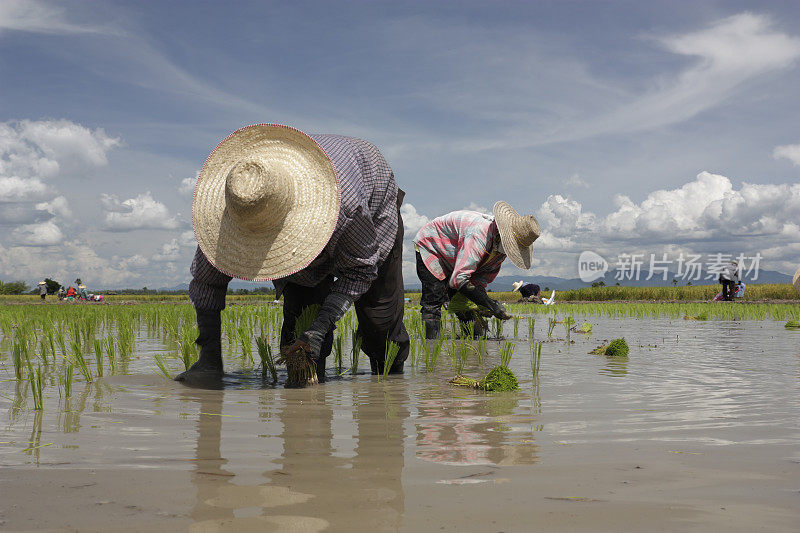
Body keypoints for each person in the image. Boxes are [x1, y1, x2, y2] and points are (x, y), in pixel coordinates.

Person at [177, 124, 409, 386]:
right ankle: (306, 396)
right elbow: (206, 282)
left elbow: (361, 269)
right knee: (300, 323)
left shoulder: (347, 206)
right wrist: (209, 359)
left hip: (371, 206)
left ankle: (390, 390)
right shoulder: (232, 209)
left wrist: (321, 326)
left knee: (380, 323)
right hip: (315, 207)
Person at [413, 205, 540, 339]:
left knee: (467, 305)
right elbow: (459, 279)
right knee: (433, 301)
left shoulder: (499, 253)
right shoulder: (479, 235)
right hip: (433, 245)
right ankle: (430, 349)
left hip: (456, 258)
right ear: (502, 236)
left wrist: (482, 303)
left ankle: (474, 344)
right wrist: (491, 304)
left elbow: (479, 281)